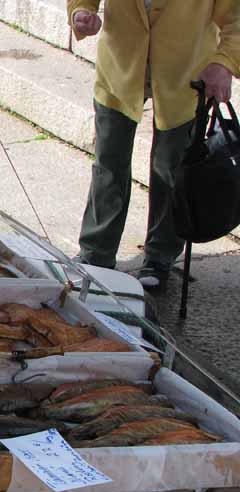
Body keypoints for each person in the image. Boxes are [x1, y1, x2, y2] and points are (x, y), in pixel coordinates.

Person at [70, 0, 240, 290]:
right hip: (119, 70)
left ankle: (161, 256)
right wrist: (80, 12)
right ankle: (95, 253)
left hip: (185, 76)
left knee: (171, 171)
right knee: (108, 166)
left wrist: (224, 62)